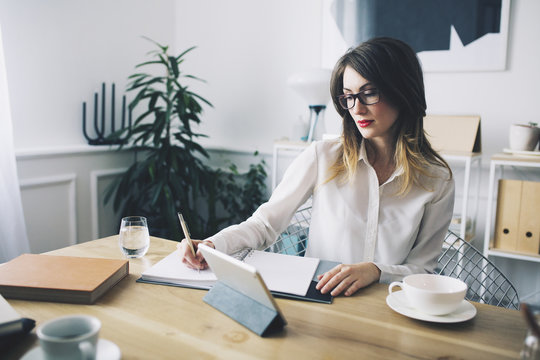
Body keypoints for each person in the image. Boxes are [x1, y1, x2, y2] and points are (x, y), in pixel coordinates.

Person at [178, 37, 455, 297]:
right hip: (320, 300)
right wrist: (214, 245)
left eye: (369, 93)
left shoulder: (437, 179)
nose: (356, 109)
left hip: (390, 308)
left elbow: (423, 270)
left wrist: (375, 271)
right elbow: (264, 224)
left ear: (403, 92)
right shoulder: (323, 156)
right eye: (348, 96)